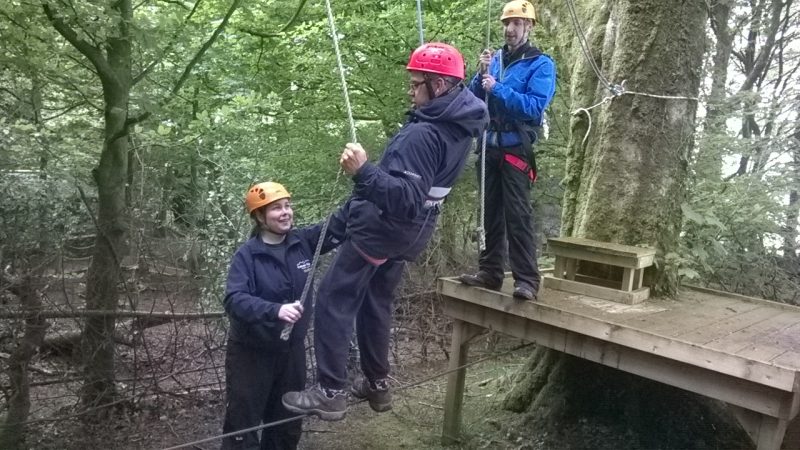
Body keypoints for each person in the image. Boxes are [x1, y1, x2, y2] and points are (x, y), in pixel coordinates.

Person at [281, 42, 489, 421]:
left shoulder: (423, 135)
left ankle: (330, 392)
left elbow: (405, 197)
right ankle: (377, 383)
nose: (409, 91)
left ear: (439, 85)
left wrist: (362, 171)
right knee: (377, 299)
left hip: (385, 230)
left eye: (415, 84)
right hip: (412, 234)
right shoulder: (460, 127)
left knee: (333, 296)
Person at [221, 181, 343, 449]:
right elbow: (234, 300)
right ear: (259, 216)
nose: (286, 212)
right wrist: (275, 310)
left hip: (291, 354)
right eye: (276, 208)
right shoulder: (247, 256)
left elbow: (339, 224)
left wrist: (364, 180)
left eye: (288, 206)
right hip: (251, 355)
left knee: (287, 425)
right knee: (243, 427)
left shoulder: (304, 242)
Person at [458, 0, 557, 301]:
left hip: (515, 148)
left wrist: (497, 88)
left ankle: (527, 279)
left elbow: (535, 106)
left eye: (516, 24)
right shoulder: (496, 59)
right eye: (506, 24)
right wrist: (480, 75)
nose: (510, 29)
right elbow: (474, 98)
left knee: (518, 215)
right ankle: (489, 272)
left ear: (528, 26)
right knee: (490, 214)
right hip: (489, 147)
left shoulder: (541, 64)